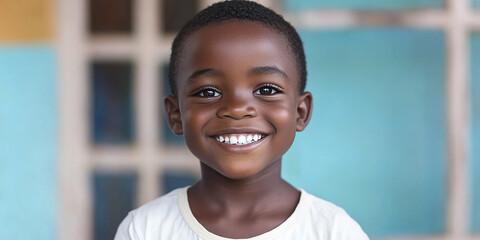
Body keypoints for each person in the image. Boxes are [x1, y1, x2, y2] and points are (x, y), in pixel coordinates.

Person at [115, 1, 369, 239]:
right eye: (208, 92)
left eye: (266, 90)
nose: (237, 109)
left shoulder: (333, 231)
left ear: (300, 112)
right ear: (176, 115)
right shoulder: (146, 229)